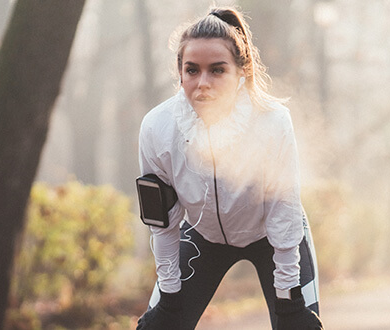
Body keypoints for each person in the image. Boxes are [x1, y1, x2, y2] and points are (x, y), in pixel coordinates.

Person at [135, 7, 323, 330]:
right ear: (179, 73)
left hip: (271, 236)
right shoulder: (157, 128)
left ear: (242, 72)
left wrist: (288, 296)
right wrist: (168, 296)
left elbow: (284, 210)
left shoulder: (273, 123)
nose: (202, 83)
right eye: (192, 70)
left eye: (217, 70)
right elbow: (163, 221)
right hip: (203, 235)